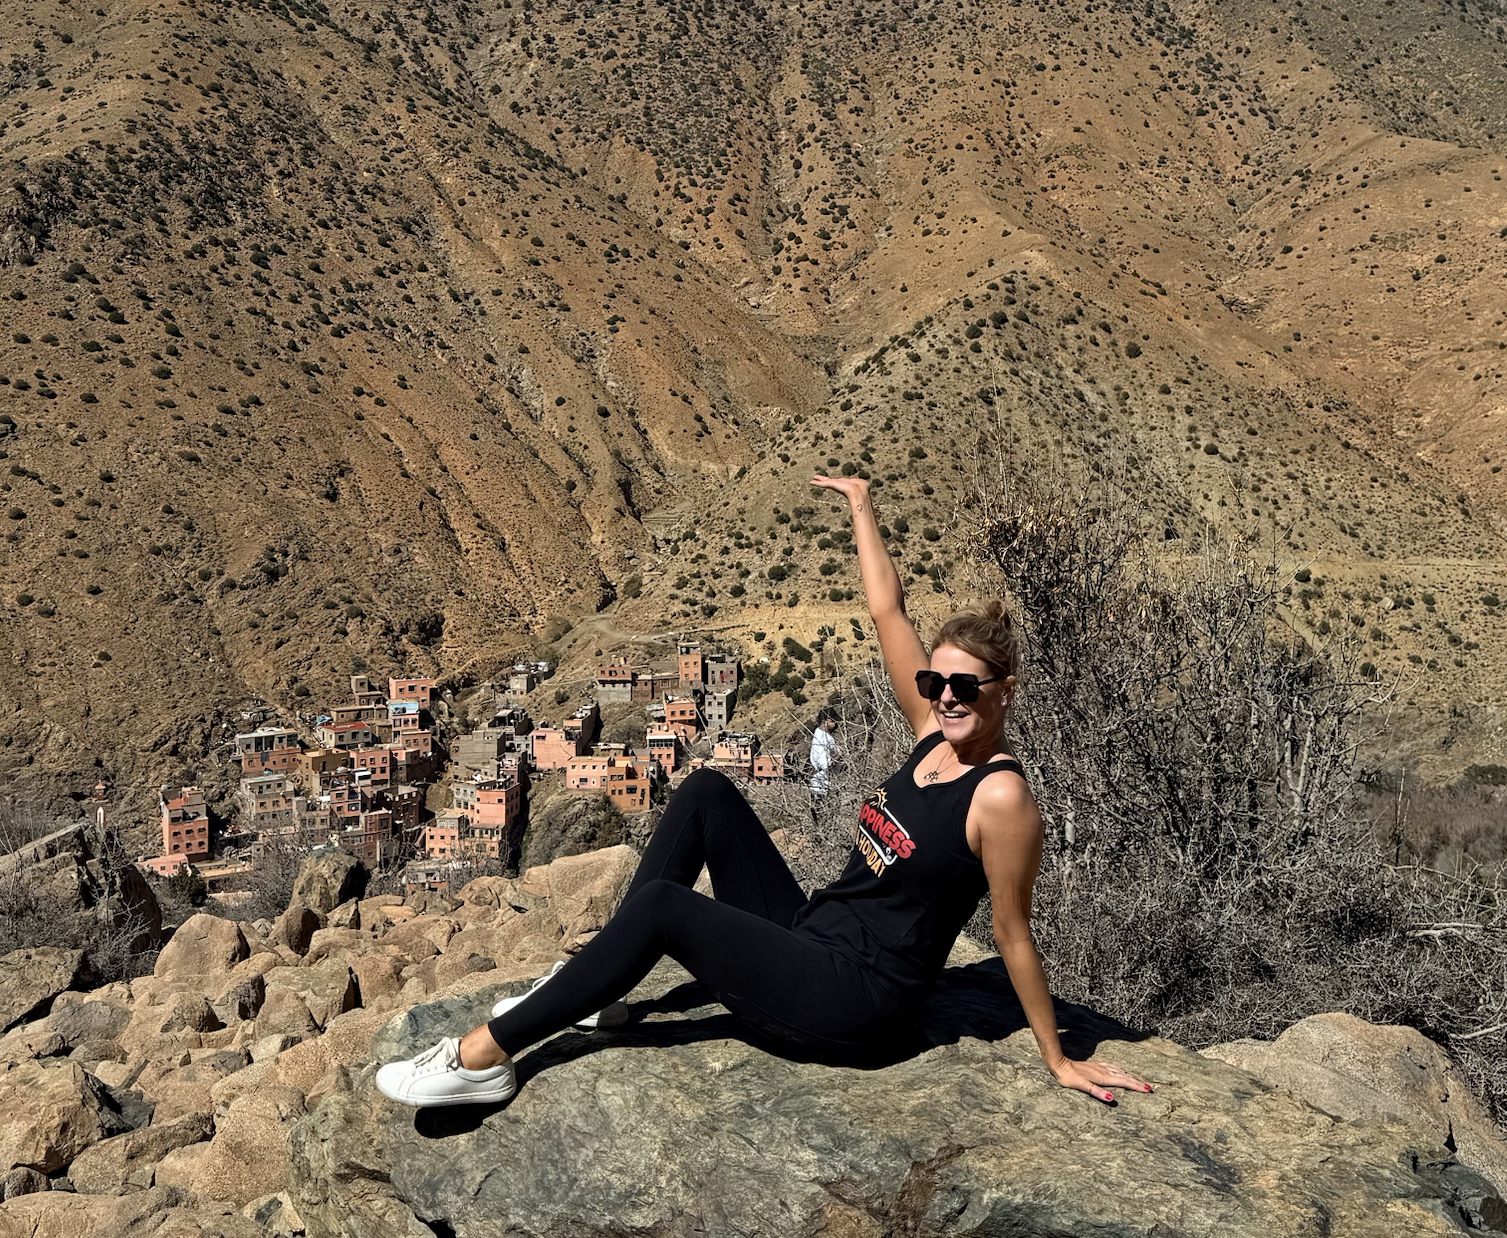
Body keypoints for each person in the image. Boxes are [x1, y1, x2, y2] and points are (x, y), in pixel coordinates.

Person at [373, 473, 1153, 1110]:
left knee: (664, 910)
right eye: (935, 680)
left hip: (858, 1002)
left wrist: (1058, 1058)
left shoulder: (1000, 798)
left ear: (1004, 691)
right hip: (814, 936)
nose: (946, 695)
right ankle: (592, 980)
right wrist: (862, 506)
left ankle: (485, 1056)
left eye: (965, 685)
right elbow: (887, 608)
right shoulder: (930, 729)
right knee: (709, 790)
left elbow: (1014, 934)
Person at [808, 710, 838, 798]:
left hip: (824, 785)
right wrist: (839, 755)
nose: (835, 724)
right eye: (833, 721)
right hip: (822, 787)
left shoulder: (820, 734)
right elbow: (825, 764)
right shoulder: (822, 739)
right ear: (827, 721)